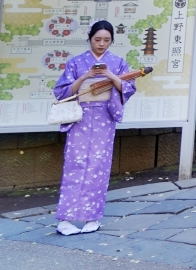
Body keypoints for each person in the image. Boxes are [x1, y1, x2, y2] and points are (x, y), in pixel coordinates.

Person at [53, 21, 135, 236]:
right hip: (80, 118)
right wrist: (84, 77)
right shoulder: (76, 62)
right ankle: (65, 219)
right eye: (97, 39)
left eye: (106, 40)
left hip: (103, 119)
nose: (101, 44)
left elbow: (128, 88)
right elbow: (62, 92)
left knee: (98, 166)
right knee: (75, 165)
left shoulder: (117, 63)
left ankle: (93, 217)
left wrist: (111, 76)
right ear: (90, 38)